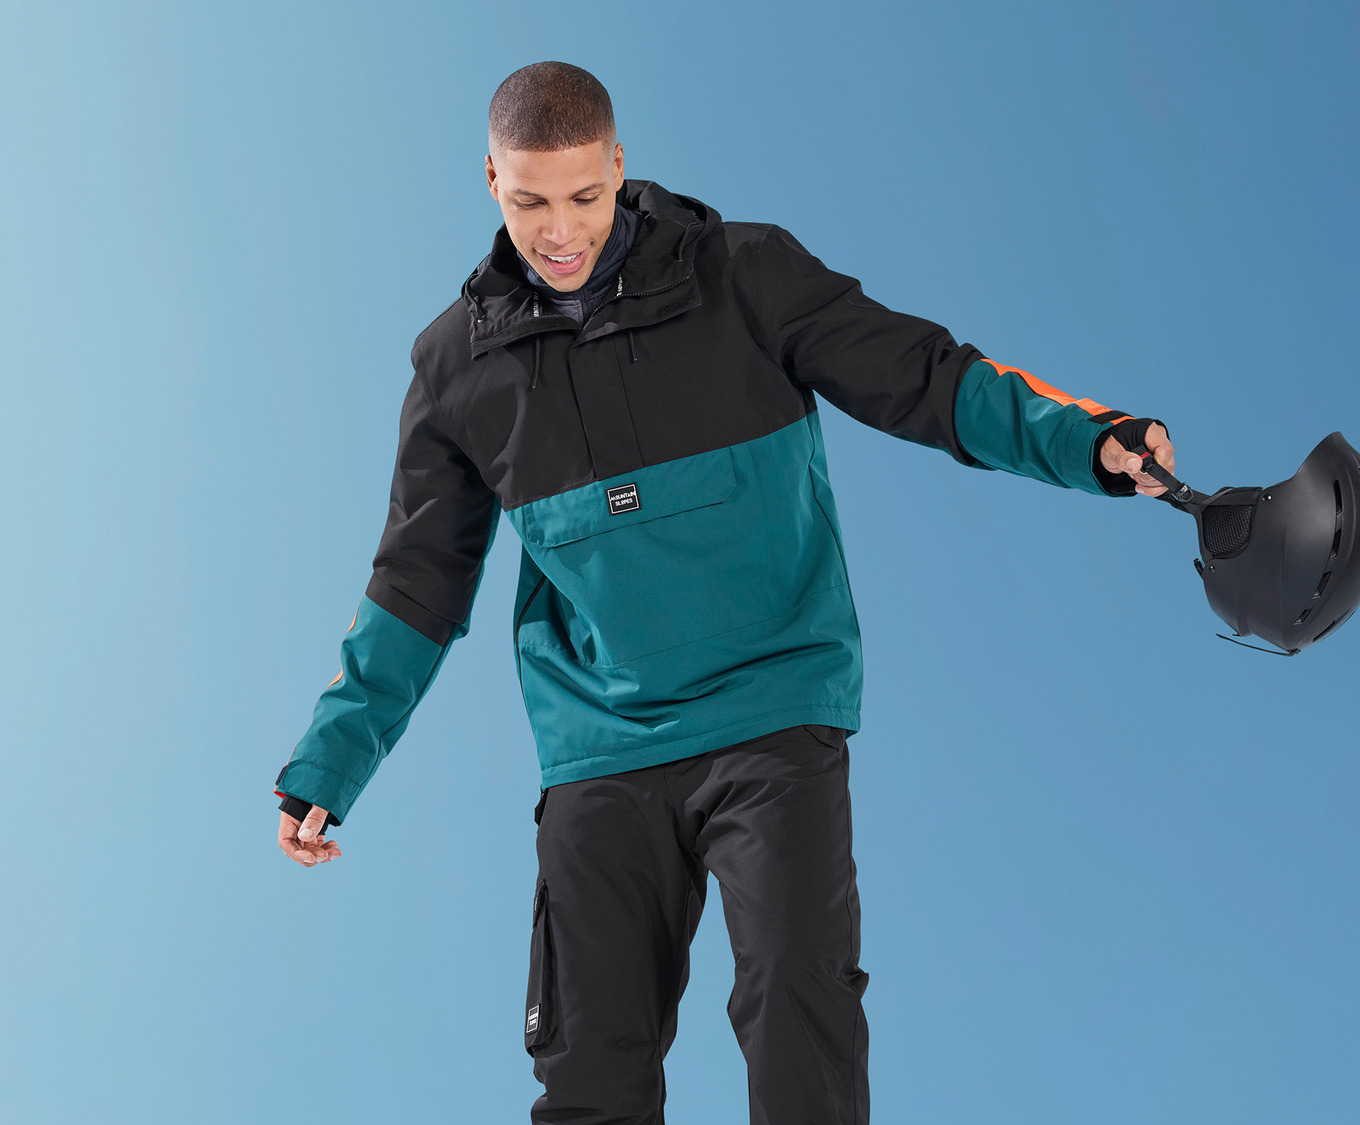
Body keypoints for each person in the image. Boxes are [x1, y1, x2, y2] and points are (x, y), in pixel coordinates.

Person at [272, 60, 1176, 1125]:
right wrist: (333, 757)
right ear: (490, 181)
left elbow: (927, 376)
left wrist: (1088, 442)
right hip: (602, 742)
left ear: (619, 165)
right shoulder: (454, 367)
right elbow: (418, 579)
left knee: (799, 1015)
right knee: (588, 1068)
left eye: (584, 196)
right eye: (529, 202)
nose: (560, 232)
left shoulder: (746, 275)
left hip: (770, 714)